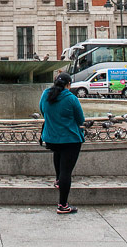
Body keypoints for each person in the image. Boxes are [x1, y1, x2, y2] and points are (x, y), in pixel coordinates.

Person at [39, 72, 85, 214]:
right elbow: (80, 119)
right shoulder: (71, 98)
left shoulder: (46, 94)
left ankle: (58, 180)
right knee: (67, 172)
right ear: (68, 85)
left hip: (51, 138)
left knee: (57, 153)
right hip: (70, 139)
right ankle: (63, 205)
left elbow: (42, 111)